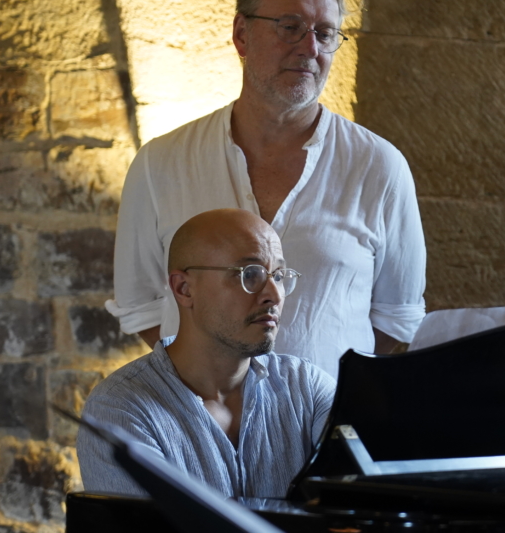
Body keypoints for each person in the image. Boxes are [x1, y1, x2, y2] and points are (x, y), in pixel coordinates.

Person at [109, 0, 426, 377]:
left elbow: (396, 316)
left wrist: (322, 390)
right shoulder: (161, 163)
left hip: (327, 415)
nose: (309, 48)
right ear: (242, 34)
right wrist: (210, 383)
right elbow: (141, 304)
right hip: (197, 415)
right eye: (290, 27)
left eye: (325, 33)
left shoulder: (379, 167)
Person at [78, 209, 335, 497]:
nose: (273, 295)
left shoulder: (308, 389)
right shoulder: (121, 409)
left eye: (278, 276)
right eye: (250, 274)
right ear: (184, 289)